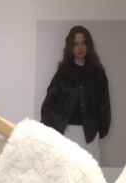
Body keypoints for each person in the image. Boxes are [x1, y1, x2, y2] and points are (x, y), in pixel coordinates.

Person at [39, 25, 111, 162]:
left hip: (89, 133)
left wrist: (101, 129)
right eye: (76, 44)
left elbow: (104, 103)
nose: (80, 47)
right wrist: (50, 126)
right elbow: (50, 101)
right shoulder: (63, 73)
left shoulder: (97, 74)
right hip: (65, 131)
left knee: (87, 170)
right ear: (70, 47)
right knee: (65, 169)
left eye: (83, 43)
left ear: (88, 45)